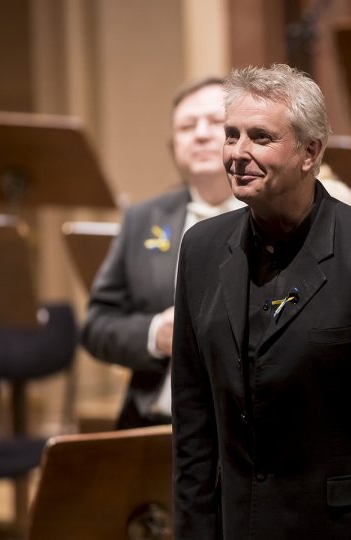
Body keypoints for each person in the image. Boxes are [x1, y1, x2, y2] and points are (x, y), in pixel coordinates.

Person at [172, 64, 351, 539]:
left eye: (260, 137)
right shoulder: (199, 249)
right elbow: (192, 425)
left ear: (310, 151)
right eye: (231, 135)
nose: (238, 153)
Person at [81, 77, 243, 429]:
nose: (199, 134)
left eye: (215, 122)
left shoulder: (272, 216)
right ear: (173, 145)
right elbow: (96, 326)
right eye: (186, 126)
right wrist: (155, 334)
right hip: (157, 422)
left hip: (252, 432)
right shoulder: (143, 219)